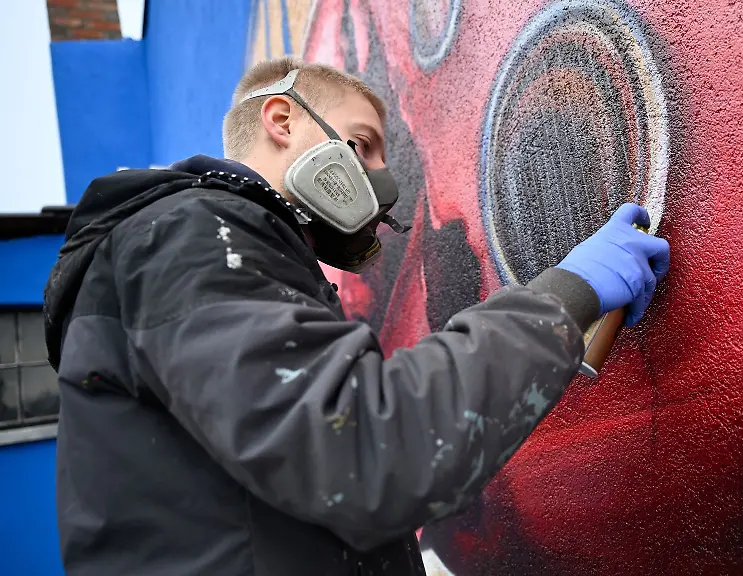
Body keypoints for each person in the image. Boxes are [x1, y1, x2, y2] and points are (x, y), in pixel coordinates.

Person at [43, 57, 670, 575]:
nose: (381, 181)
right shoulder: (189, 235)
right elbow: (364, 444)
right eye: (365, 146)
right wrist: (567, 295)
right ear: (282, 120)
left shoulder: (232, 256)